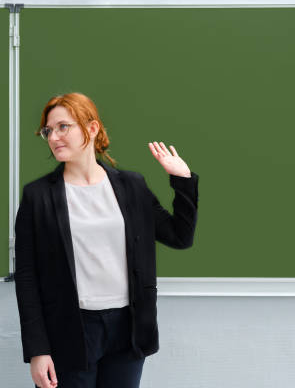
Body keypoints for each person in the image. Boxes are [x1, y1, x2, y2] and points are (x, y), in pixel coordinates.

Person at [14, 92, 199, 388]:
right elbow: (26, 277)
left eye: (64, 127)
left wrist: (183, 181)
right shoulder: (38, 196)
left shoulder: (132, 186)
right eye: (49, 131)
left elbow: (179, 236)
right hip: (70, 329)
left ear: (92, 128)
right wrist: (38, 350)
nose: (54, 136)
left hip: (128, 328)